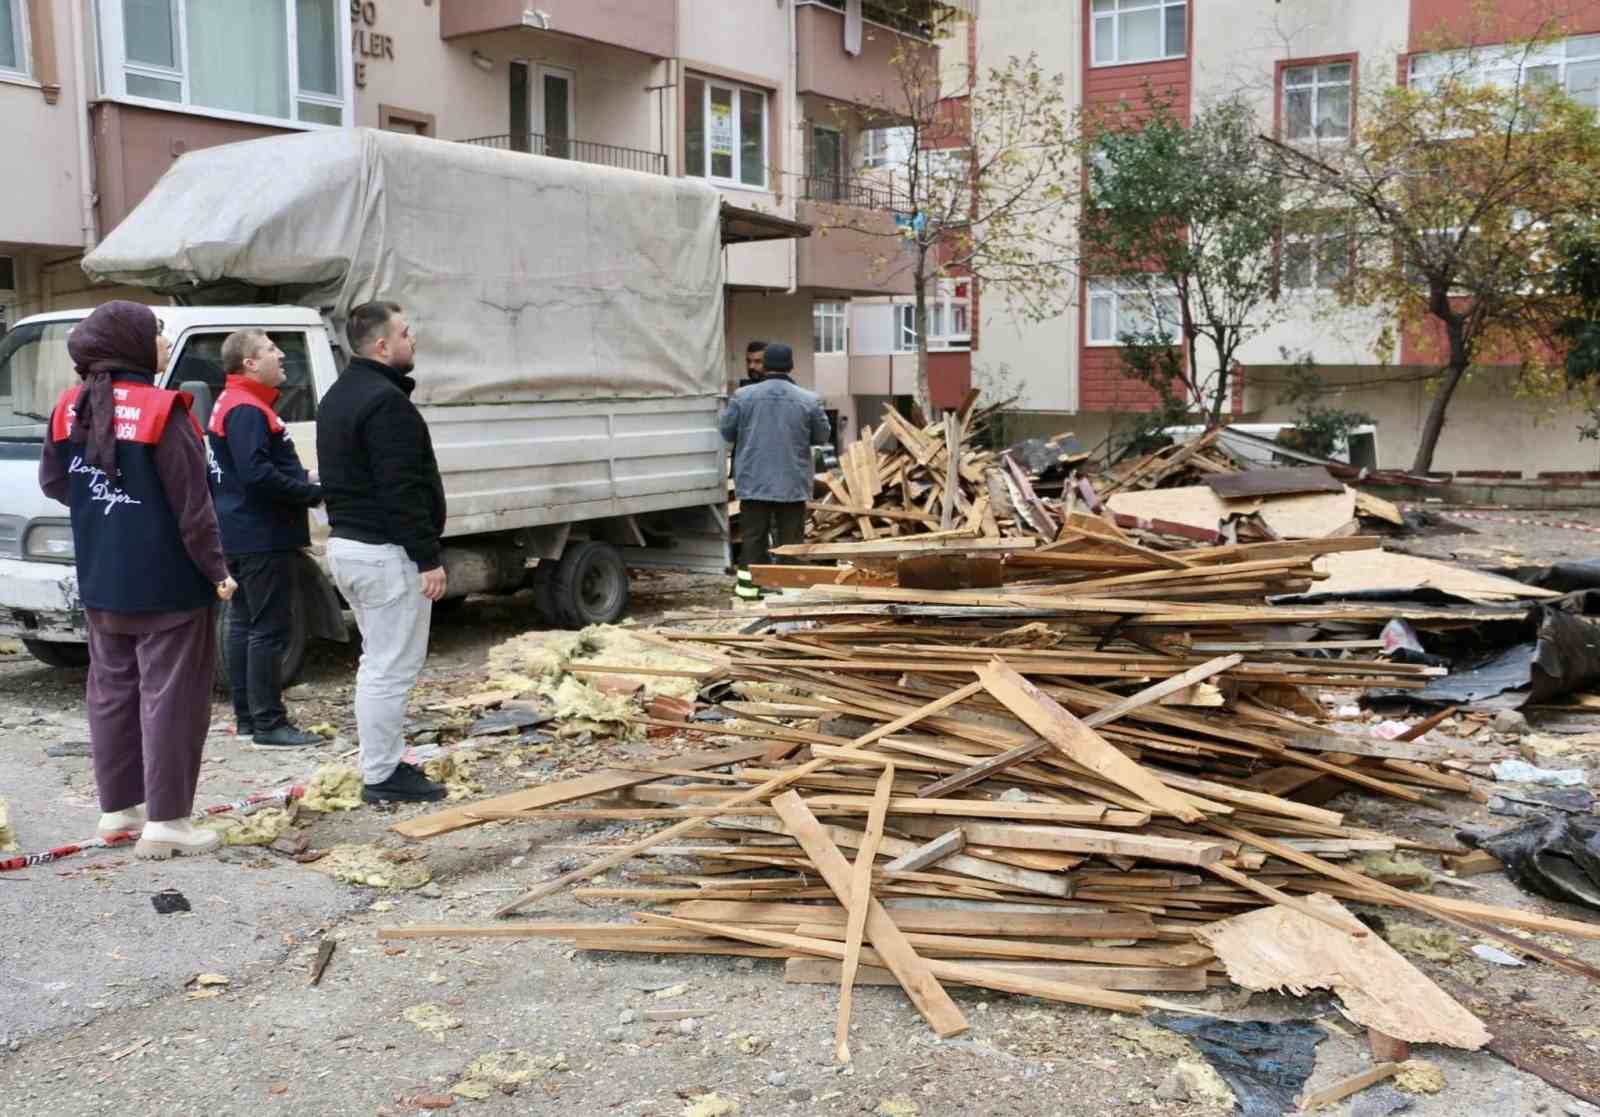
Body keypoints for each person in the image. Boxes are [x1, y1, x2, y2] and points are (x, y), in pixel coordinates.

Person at [38, 301, 237, 859]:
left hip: (102, 575)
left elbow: (56, 482)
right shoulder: (163, 410)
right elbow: (194, 510)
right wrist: (218, 571)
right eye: (156, 333)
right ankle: (169, 822)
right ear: (129, 344)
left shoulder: (66, 409)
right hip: (168, 583)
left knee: (111, 693)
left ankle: (118, 813)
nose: (165, 343)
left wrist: (108, 511)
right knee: (171, 698)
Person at [317, 301, 449, 804]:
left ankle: (385, 757)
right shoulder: (385, 402)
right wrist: (428, 557)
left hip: (351, 546)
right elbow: (401, 488)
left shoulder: (338, 396)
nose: (411, 340)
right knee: (390, 668)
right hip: (384, 553)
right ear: (381, 345)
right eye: (405, 333)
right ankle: (382, 773)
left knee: (379, 663)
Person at [206, 330, 325, 748]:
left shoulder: (235, 402)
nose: (281, 356)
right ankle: (269, 723)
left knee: (245, 623)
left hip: (240, 530)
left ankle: (248, 719)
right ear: (249, 364)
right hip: (261, 534)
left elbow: (249, 468)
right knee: (268, 628)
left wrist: (303, 477)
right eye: (272, 350)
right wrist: (312, 493)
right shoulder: (247, 409)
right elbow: (255, 473)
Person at [719, 342, 831, 601]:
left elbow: (726, 432)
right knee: (790, 541)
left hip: (753, 482)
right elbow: (822, 436)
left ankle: (748, 592)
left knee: (753, 539)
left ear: (765, 365)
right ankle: (790, 592)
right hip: (791, 483)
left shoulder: (743, 397)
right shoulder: (808, 399)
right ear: (791, 366)